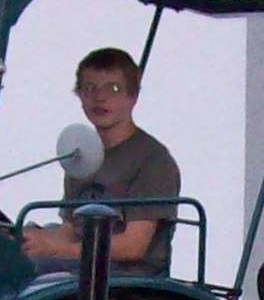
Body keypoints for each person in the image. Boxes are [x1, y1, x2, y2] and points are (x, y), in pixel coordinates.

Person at [22, 48, 180, 274]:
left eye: (113, 89)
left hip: (129, 275)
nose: (99, 97)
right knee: (10, 257)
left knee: (29, 270)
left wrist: (55, 249)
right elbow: (71, 230)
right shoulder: (80, 153)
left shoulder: (153, 160)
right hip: (83, 261)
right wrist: (28, 238)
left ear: (132, 97)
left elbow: (133, 246)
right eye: (90, 88)